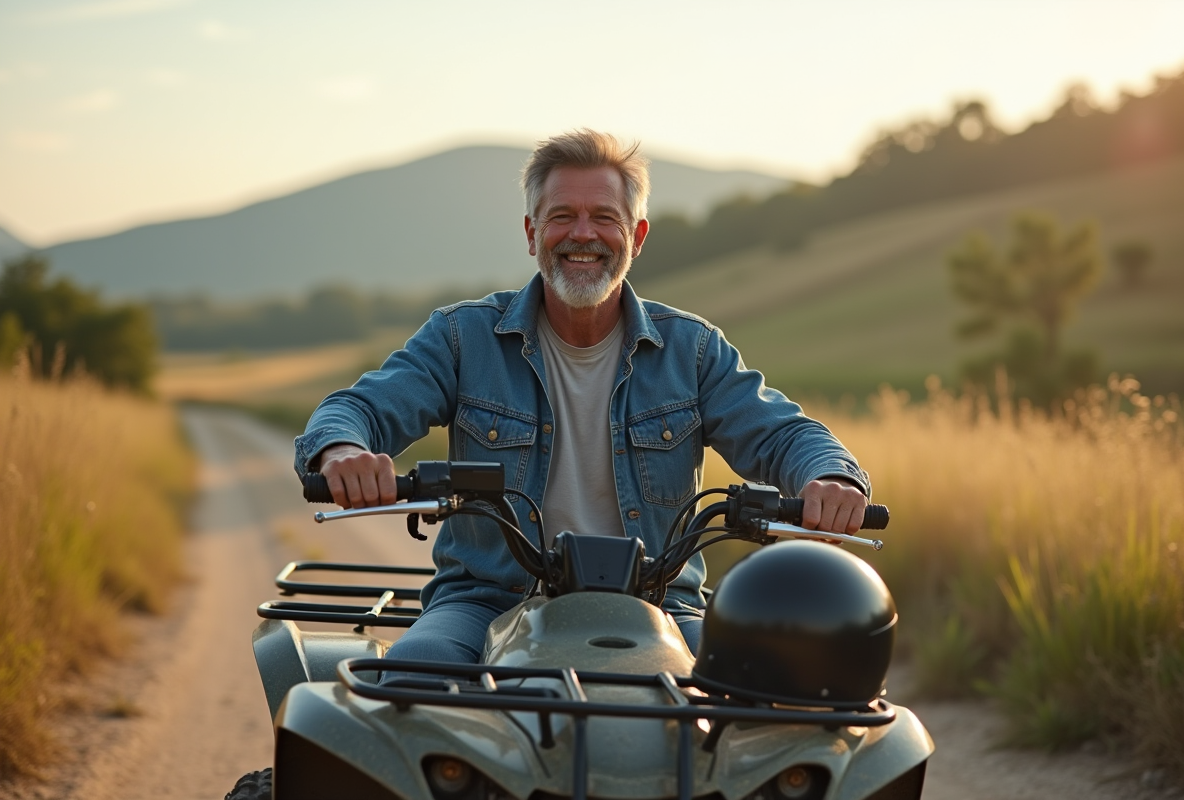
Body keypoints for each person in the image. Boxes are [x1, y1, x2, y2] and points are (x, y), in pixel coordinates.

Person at [294, 129, 869, 664]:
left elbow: (782, 432)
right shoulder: (462, 338)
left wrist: (832, 479)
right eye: (561, 216)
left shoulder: (691, 351)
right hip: (487, 603)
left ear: (637, 236)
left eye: (604, 217)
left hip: (661, 605)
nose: (583, 234)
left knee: (757, 688)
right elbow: (360, 408)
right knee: (412, 681)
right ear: (531, 233)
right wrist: (342, 451)